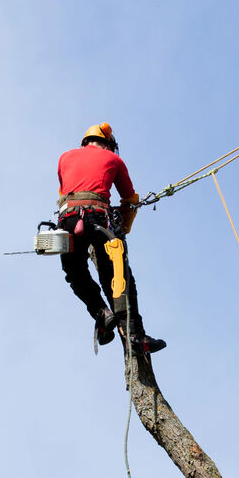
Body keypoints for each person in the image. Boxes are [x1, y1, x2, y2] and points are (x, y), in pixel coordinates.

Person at [57, 122, 166, 354]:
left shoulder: (64, 157)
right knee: (119, 277)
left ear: (85, 142)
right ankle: (136, 338)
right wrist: (124, 227)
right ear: (108, 144)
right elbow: (130, 199)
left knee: (75, 272)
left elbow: (66, 191)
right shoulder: (114, 160)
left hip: (68, 219)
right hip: (99, 218)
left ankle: (100, 312)